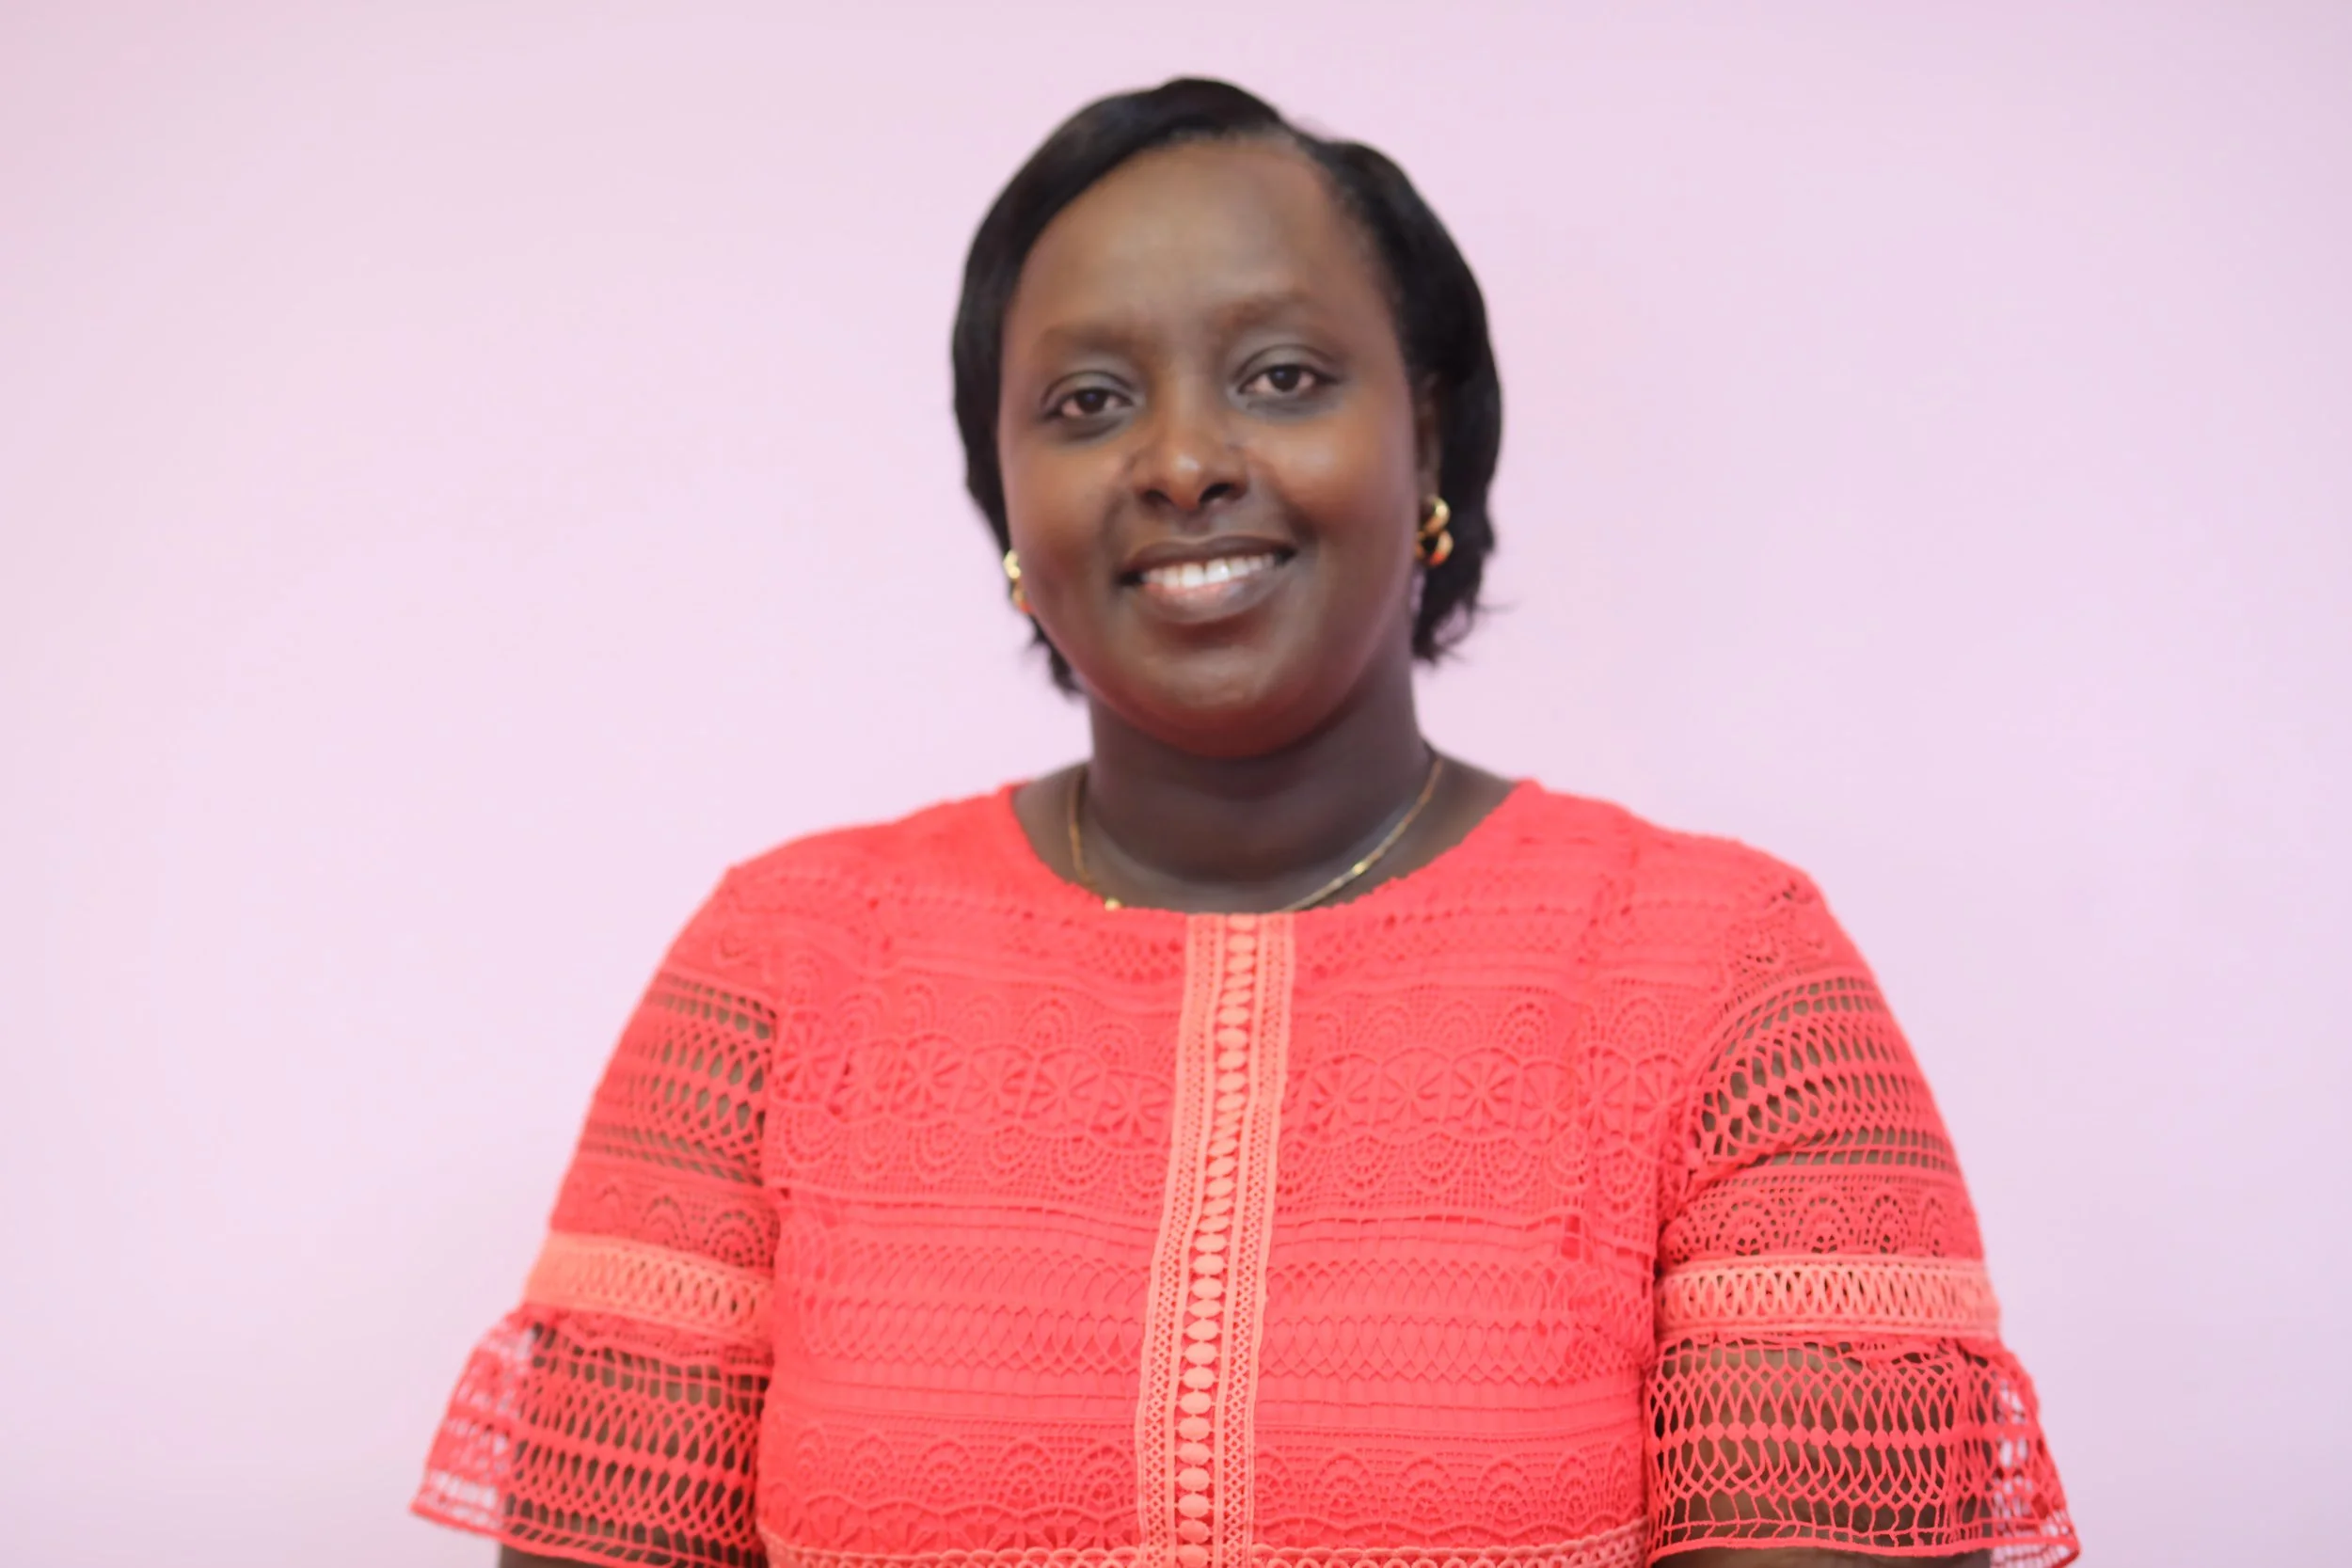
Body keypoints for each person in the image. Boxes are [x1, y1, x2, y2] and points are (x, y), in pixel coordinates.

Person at [413, 78, 2077, 1568]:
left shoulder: (1727, 976)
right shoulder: (781, 969)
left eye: (1282, 375)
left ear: (1428, 434)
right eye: (1083, 404)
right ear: (1005, 506)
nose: (1186, 459)